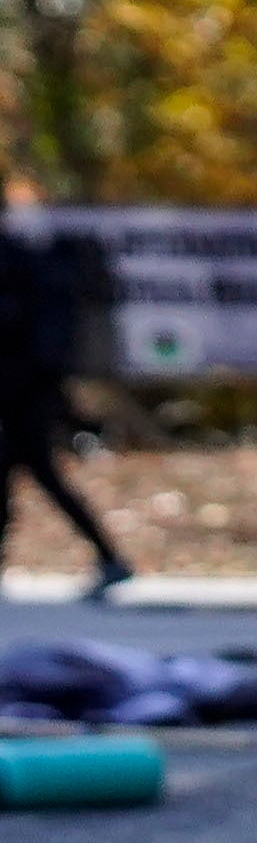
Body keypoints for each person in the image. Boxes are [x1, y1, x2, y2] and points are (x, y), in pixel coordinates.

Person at [0, 214, 133, 602]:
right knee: (21, 472)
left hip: (22, 389)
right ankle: (109, 558)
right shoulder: (20, 257)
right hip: (28, 387)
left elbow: (17, 331)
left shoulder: (12, 262)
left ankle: (110, 558)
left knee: (37, 472)